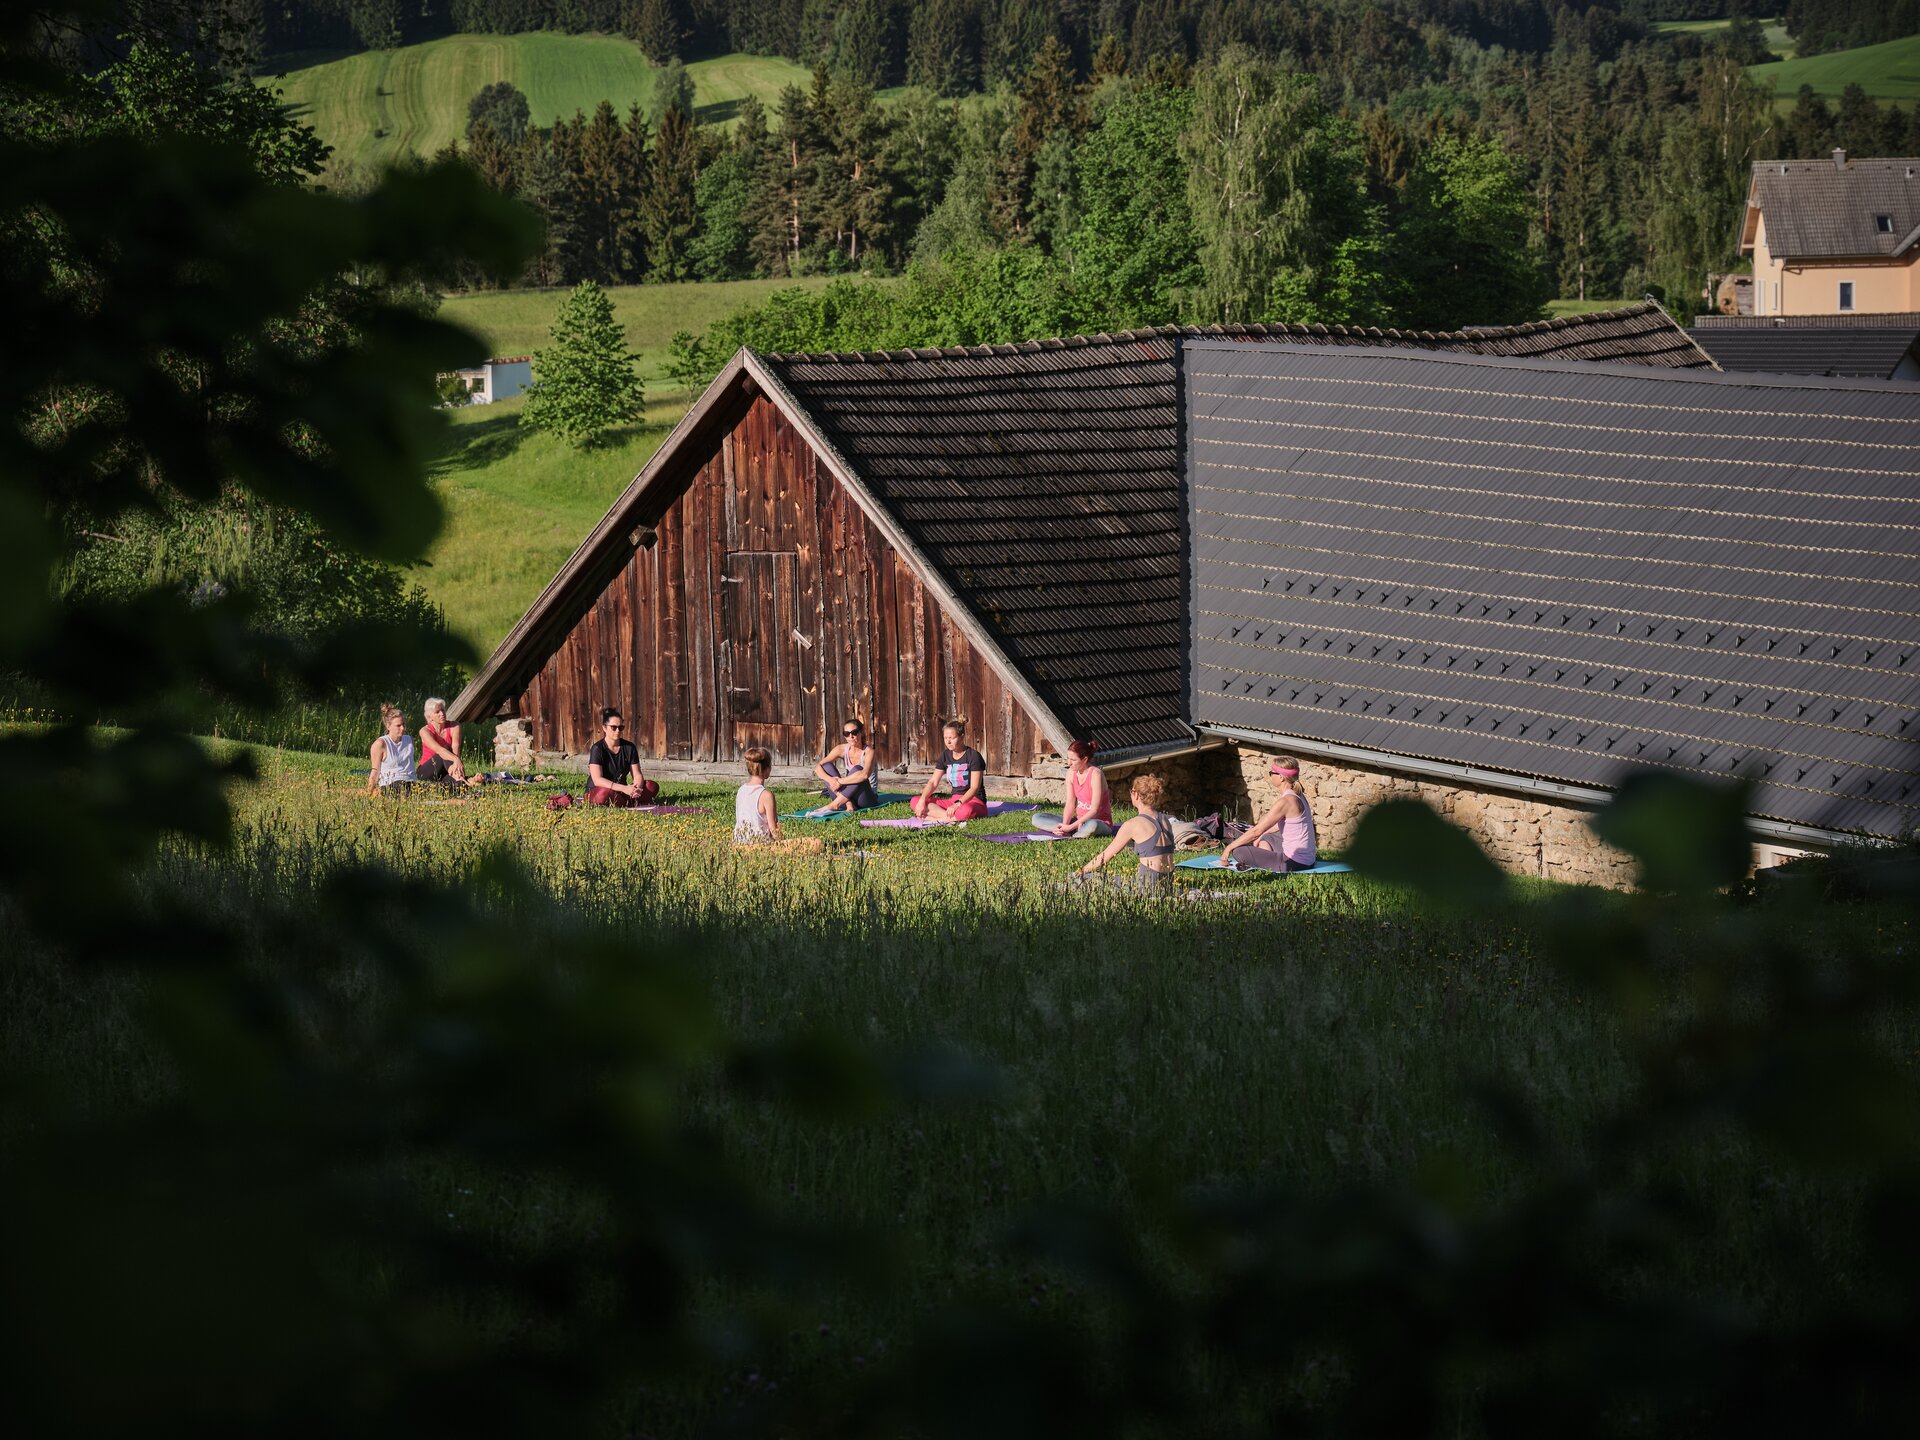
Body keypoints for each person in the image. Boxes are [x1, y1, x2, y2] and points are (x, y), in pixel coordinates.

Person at [1071, 773, 1177, 894]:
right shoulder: (1165, 820)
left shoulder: (1133, 824)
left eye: (1131, 791)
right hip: (1168, 883)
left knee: (1085, 879)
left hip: (1147, 886)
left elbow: (1105, 856)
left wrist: (1081, 871)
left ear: (1136, 795)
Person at [1221, 756, 1319, 872]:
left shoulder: (1286, 801)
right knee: (1267, 837)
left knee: (1238, 851)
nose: (1270, 775)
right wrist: (1263, 834)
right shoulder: (1299, 795)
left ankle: (1268, 863)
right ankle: (1267, 860)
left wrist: (1229, 847)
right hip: (1307, 860)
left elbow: (1256, 832)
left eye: (1271, 772)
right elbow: (1281, 825)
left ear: (1281, 777)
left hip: (1292, 863)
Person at [734, 747, 823, 853]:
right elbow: (773, 830)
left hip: (738, 846)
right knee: (816, 843)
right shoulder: (766, 795)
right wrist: (781, 836)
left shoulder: (741, 790)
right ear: (767, 769)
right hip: (760, 847)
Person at [910, 716, 987, 823]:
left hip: (973, 801)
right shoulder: (945, 755)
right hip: (953, 801)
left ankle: (936, 818)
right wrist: (922, 800)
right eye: (946, 738)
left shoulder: (974, 756)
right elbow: (933, 782)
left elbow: (974, 788)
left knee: (966, 811)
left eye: (952, 738)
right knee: (915, 801)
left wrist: (958, 804)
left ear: (962, 737)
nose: (948, 742)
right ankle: (950, 819)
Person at [1031, 739, 1115, 837]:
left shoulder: (1096, 774)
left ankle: (1077, 833)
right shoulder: (1071, 773)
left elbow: (1094, 811)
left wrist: (1071, 827)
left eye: (1073, 760)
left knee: (1092, 825)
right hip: (1077, 821)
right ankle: (1063, 830)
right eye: (1068, 758)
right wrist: (1066, 825)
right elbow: (1070, 803)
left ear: (1084, 760)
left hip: (1098, 821)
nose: (1069, 763)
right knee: (1037, 818)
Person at [586, 707, 659, 807]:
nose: (617, 731)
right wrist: (623, 788)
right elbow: (597, 780)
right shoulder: (597, 748)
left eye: (620, 728)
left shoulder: (629, 747)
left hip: (622, 791)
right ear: (604, 728)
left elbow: (637, 774)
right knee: (602, 795)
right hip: (600, 790)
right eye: (613, 727)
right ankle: (627, 802)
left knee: (651, 786)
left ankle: (626, 800)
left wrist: (636, 787)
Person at [813, 717, 879, 812]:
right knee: (826, 766)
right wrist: (831, 780)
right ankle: (849, 804)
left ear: (861, 733)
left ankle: (834, 805)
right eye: (847, 734)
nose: (850, 736)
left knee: (857, 769)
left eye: (854, 732)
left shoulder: (869, 752)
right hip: (846, 797)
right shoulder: (841, 749)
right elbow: (818, 768)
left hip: (866, 799)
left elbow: (864, 775)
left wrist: (839, 781)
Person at [365, 702, 416, 796]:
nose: (403, 728)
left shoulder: (409, 740)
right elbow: (375, 770)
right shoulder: (380, 744)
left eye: (403, 724)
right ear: (388, 726)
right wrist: (369, 793)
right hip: (391, 783)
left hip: (410, 782)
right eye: (398, 726)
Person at [416, 696, 465, 784]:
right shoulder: (425, 731)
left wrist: (456, 762)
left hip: (446, 769)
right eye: (437, 712)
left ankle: (462, 780)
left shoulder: (455, 726)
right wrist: (456, 760)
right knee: (445, 749)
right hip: (426, 772)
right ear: (430, 716)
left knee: (452, 782)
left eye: (443, 710)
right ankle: (461, 779)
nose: (442, 714)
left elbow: (455, 749)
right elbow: (439, 750)